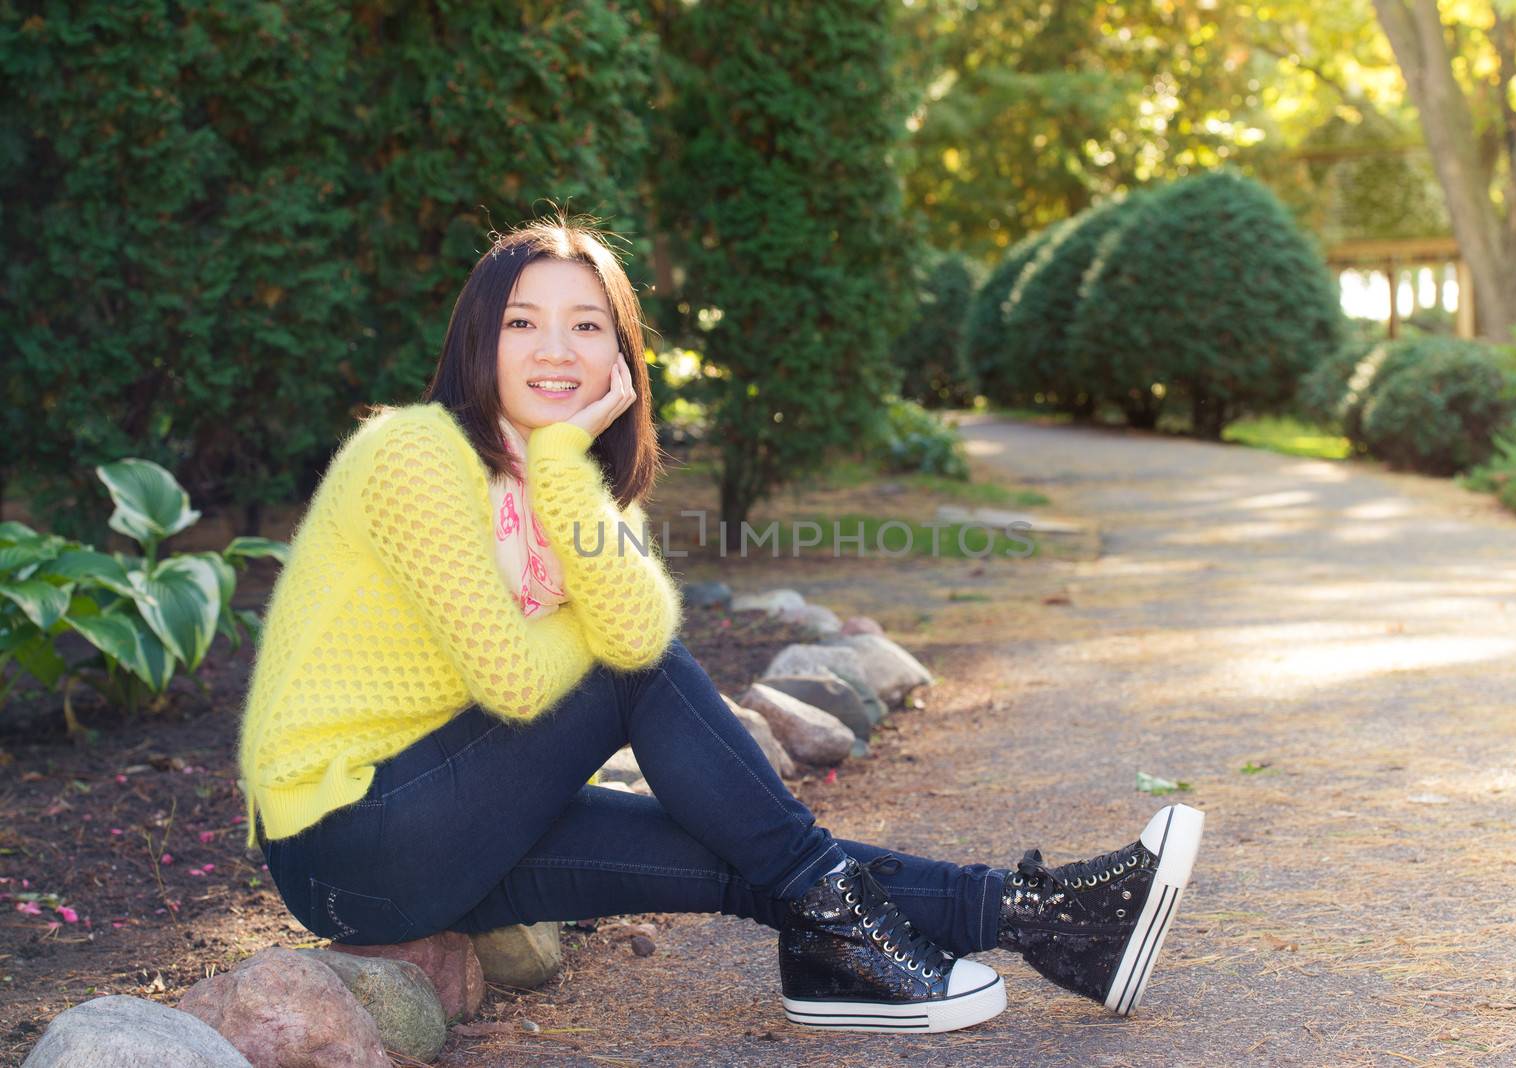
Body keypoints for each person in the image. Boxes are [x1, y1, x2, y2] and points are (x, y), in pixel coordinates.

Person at [235, 215, 1205, 1036]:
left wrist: (572, 480)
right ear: (478, 340)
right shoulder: (412, 454)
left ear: (620, 356)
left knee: (738, 854)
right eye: (523, 322)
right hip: (348, 837)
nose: (555, 350)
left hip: (447, 838)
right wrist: (571, 471)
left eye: (585, 326)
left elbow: (630, 620)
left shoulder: (567, 492)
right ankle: (849, 932)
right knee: (629, 670)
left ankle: (1057, 923)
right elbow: (537, 678)